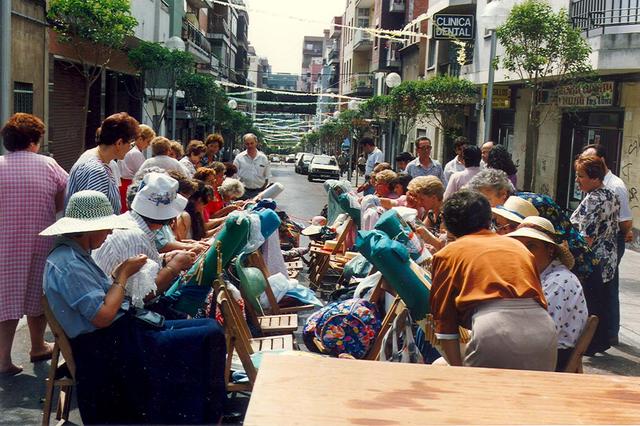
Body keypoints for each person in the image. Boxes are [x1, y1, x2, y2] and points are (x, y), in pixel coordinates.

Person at [41, 190, 226, 424]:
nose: (109, 233)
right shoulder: (68, 263)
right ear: (88, 229)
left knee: (208, 327)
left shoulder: (76, 255)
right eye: (106, 227)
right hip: (107, 347)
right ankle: (206, 417)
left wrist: (124, 275)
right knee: (209, 335)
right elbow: (103, 316)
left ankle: (206, 414)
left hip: (120, 335)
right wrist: (123, 274)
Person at [430, 190, 557, 370]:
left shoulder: (448, 254)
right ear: (489, 219)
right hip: (543, 329)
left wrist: (458, 371)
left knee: (481, 394)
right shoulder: (518, 247)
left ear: (448, 225)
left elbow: (445, 323)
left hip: (493, 329)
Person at [0, 113, 68, 376]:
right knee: (38, 295)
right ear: (33, 140)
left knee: (6, 298)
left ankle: (3, 359)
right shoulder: (48, 165)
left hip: (5, 242)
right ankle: (38, 346)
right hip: (41, 238)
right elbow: (62, 199)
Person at [507, 216, 587, 371]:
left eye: (531, 246)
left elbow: (542, 334)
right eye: (519, 246)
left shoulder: (559, 281)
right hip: (533, 351)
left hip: (548, 359)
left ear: (550, 250)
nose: (523, 252)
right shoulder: (535, 275)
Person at [581, 144, 633, 345]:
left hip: (603, 248)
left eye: (581, 175)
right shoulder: (600, 191)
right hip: (605, 247)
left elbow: (624, 221)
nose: (577, 180)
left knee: (605, 292)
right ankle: (604, 335)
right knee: (602, 292)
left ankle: (607, 334)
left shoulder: (613, 187)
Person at [570, 155, 620, 353]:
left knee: (590, 303)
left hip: (592, 259)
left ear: (594, 177)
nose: (577, 180)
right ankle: (601, 340)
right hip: (608, 258)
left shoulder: (594, 200)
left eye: (580, 176)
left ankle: (590, 343)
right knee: (602, 300)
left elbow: (586, 238)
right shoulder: (610, 194)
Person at [66, 112, 139, 214]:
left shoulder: (97, 160)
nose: (130, 149)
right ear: (119, 143)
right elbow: (94, 218)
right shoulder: (95, 170)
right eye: (131, 144)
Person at [118, 124, 155, 213]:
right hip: (129, 184)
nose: (148, 145)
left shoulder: (130, 149)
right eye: (148, 141)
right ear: (140, 139)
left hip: (123, 184)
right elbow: (143, 174)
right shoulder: (136, 153)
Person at [406, 176, 447, 252]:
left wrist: (427, 235)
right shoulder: (431, 213)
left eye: (422, 199)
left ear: (434, 198)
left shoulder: (446, 215)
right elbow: (422, 228)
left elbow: (444, 246)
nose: (419, 203)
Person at [233, 133, 272, 200]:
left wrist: (262, 190)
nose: (250, 146)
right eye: (247, 144)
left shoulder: (263, 158)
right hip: (242, 193)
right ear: (244, 144)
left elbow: (267, 177)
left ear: (256, 143)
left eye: (252, 143)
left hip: (259, 193)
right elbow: (233, 175)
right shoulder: (239, 158)